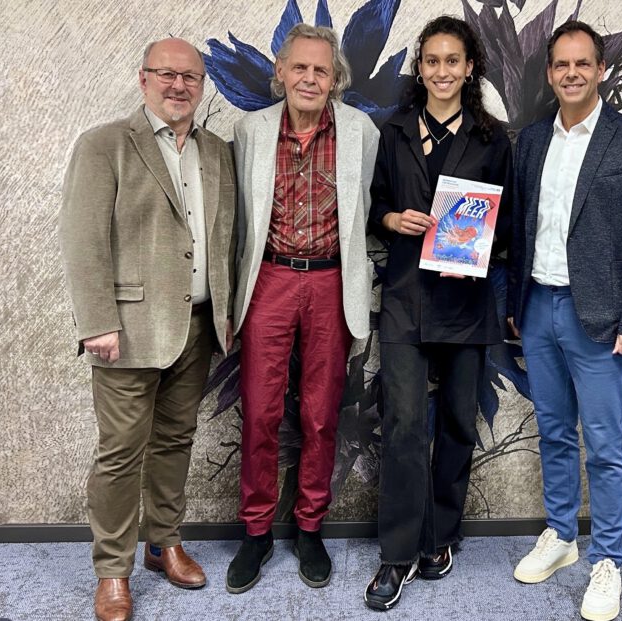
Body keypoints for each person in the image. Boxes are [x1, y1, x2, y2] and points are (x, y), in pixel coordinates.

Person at [59, 38, 237, 621]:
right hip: (127, 331)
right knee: (120, 454)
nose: (178, 85)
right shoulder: (105, 145)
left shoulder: (217, 152)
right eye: (167, 74)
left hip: (198, 327)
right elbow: (83, 239)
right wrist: (97, 323)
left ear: (202, 85)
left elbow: (225, 237)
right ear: (143, 79)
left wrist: (226, 314)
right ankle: (113, 570)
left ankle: (164, 543)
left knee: (175, 441)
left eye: (191, 76)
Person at [507, 20, 622, 621]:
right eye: (561, 64)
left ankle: (608, 560)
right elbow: (518, 227)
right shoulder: (530, 142)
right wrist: (513, 304)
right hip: (537, 307)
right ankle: (561, 535)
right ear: (549, 73)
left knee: (603, 444)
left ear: (601, 70)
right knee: (553, 431)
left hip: (599, 317)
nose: (571, 73)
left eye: (582, 63)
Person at [364, 15, 512, 612]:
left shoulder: (493, 139)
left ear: (469, 68)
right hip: (405, 298)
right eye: (432, 61)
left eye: (453, 60)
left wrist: (477, 251)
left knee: (456, 423)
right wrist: (391, 218)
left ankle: (440, 537)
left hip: (465, 301)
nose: (442, 71)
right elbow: (376, 203)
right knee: (402, 425)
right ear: (420, 68)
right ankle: (397, 554)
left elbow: (508, 223)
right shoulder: (394, 130)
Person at [226, 23, 380, 594]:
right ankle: (256, 531)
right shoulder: (251, 130)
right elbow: (239, 216)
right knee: (261, 411)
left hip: (331, 281)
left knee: (320, 414)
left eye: (321, 70)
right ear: (281, 73)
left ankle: (310, 527)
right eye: (300, 67)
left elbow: (366, 208)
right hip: (269, 277)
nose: (310, 78)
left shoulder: (361, 131)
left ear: (335, 78)